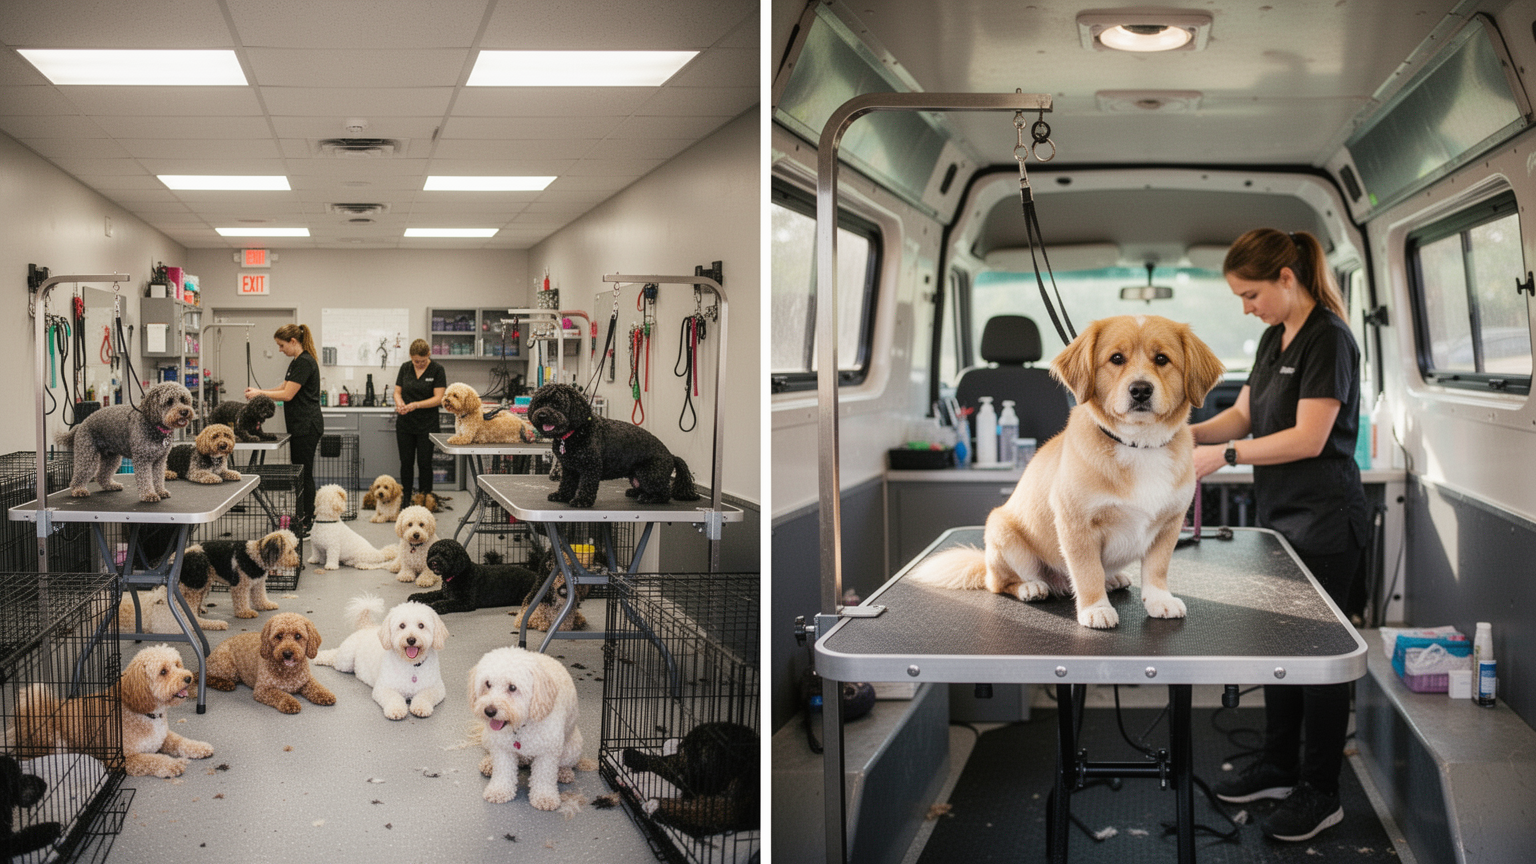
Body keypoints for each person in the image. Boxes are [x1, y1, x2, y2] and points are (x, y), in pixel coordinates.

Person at [1191, 228, 1370, 843]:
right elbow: (1242, 412)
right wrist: (1183, 435)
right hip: (1282, 524)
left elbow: (1308, 438)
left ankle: (1321, 794)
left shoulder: (1330, 340)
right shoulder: (1274, 337)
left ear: (1286, 279)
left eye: (1250, 294)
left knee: (1319, 664)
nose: (1246, 307)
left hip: (1326, 524)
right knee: (1280, 650)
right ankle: (1278, 764)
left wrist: (1227, 456)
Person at [246, 323, 324, 538]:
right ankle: (303, 518)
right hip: (300, 426)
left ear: (293, 341)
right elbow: (283, 386)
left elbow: (288, 395)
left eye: (281, 345)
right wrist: (259, 392)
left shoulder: (305, 362)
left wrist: (260, 393)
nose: (280, 350)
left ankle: (306, 522)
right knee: (301, 472)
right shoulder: (297, 362)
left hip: (307, 427)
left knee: (304, 474)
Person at [393, 338, 447, 506]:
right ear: (410, 357)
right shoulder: (405, 368)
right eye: (416, 361)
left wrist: (416, 405)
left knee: (424, 463)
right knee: (406, 462)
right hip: (405, 424)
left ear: (428, 355)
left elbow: (438, 399)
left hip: (427, 425)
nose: (419, 364)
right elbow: (397, 392)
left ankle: (425, 499)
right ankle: (406, 498)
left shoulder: (437, 370)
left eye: (422, 361)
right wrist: (400, 404)